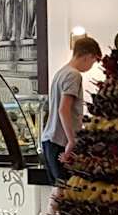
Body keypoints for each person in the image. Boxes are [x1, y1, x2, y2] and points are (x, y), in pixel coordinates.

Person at [40, 35, 101, 183]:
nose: (91, 66)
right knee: (66, 188)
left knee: (58, 188)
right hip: (61, 141)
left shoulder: (61, 72)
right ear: (87, 56)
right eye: (93, 61)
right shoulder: (74, 75)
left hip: (50, 139)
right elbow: (64, 109)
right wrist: (71, 141)